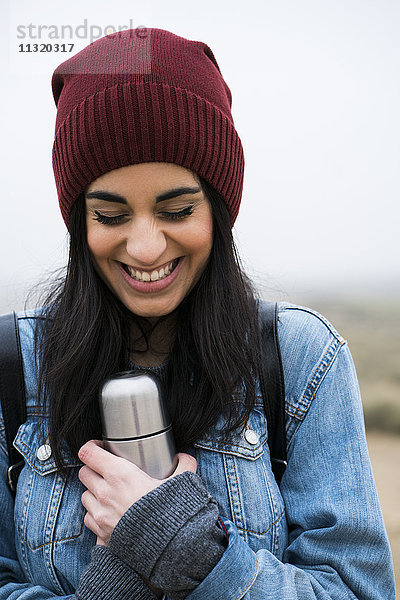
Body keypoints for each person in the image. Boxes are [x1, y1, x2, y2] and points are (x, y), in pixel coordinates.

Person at [0, 27, 395, 600]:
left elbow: (359, 592)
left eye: (177, 209)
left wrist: (188, 549)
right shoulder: (14, 369)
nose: (145, 247)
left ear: (219, 209)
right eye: (110, 215)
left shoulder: (301, 358)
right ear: (78, 223)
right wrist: (116, 584)